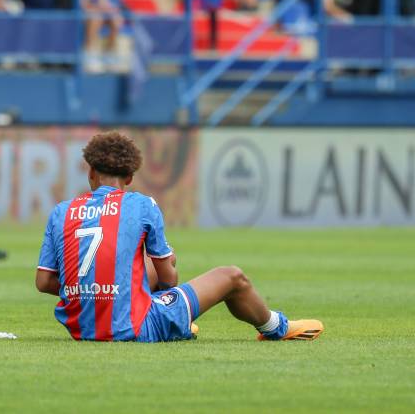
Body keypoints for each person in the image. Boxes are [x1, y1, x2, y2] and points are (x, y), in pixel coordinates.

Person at [35, 131, 324, 343]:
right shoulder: (142, 205)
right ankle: (277, 328)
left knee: (138, 268)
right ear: (130, 178)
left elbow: (44, 282)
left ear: (91, 173)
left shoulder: (61, 211)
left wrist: (94, 289)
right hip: (134, 329)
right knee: (232, 277)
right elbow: (169, 281)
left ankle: (165, 318)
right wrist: (167, 263)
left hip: (81, 329)